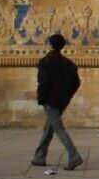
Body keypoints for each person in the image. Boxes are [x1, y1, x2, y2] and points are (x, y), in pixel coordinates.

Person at [30, 32, 85, 170]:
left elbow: (42, 82)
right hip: (62, 100)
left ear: (50, 44)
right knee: (49, 126)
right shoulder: (68, 64)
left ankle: (74, 156)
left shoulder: (46, 62)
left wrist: (42, 98)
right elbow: (76, 82)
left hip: (50, 100)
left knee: (58, 128)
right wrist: (68, 95)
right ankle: (39, 156)